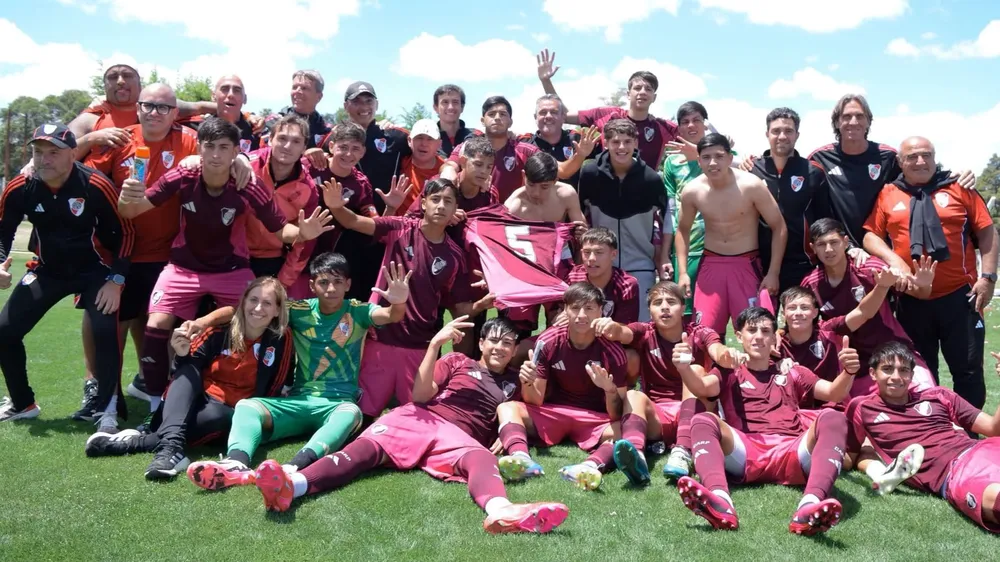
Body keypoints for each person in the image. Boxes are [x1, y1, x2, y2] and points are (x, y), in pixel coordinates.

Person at [249, 316, 570, 535]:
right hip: (420, 418)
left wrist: (507, 432)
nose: (500, 348)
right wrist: (434, 346)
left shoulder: (514, 382)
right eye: (494, 341)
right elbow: (420, 394)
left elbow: (522, 413)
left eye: (508, 344)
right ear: (482, 343)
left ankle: (502, 511)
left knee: (481, 459)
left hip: (458, 439)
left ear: (515, 350)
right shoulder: (458, 361)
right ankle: (293, 486)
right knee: (362, 451)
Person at [118, 117, 334, 415]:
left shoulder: (248, 184)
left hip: (232, 270)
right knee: (155, 326)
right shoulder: (183, 174)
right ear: (199, 149)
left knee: (260, 315)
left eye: (224, 148)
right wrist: (127, 197)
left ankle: (248, 389)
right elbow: (131, 210)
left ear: (235, 151)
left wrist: (302, 234)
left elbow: (280, 230)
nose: (216, 155)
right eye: (209, 147)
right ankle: (157, 400)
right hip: (183, 268)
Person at [186, 253, 411, 489]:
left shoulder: (358, 311)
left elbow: (390, 315)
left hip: (337, 404)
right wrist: (203, 322)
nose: (331, 288)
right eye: (323, 282)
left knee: (351, 412)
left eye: (337, 281)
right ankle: (236, 464)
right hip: (298, 400)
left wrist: (399, 302)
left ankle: (293, 467)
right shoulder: (299, 310)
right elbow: (242, 311)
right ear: (312, 286)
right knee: (247, 406)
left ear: (348, 284)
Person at [84, 277, 293, 479]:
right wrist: (181, 353)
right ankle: (171, 449)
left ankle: (141, 442)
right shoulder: (219, 331)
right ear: (243, 301)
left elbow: (274, 386)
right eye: (253, 300)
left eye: (267, 303)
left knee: (217, 416)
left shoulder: (281, 340)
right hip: (195, 400)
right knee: (187, 371)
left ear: (277, 310)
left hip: (233, 413)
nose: (258, 308)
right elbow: (183, 374)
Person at [674, 307, 858, 535]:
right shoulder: (728, 371)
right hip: (745, 451)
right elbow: (701, 387)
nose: (758, 336)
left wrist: (848, 372)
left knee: (833, 416)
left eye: (765, 331)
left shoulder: (794, 372)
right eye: (751, 330)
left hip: (792, 451)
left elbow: (833, 393)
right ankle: (720, 501)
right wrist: (683, 368)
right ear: (739, 336)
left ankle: (810, 505)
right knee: (703, 420)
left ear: (774, 338)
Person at [321, 177, 492, 418]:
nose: (441, 206)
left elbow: (461, 309)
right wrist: (336, 206)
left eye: (448, 201)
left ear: (456, 209)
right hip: (379, 338)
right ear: (423, 204)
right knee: (361, 415)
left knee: (418, 416)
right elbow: (355, 222)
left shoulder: (455, 257)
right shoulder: (399, 227)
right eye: (435, 199)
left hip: (419, 346)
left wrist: (484, 302)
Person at [0, 125, 134, 430]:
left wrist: (116, 280)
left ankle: (107, 408)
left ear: (73, 154)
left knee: (103, 330)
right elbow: (3, 232)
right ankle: (23, 404)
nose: (44, 160)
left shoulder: (95, 184)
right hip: (47, 272)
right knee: (4, 332)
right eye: (38, 153)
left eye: (53, 153)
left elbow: (127, 233)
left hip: (94, 272)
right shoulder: (21, 186)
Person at [79, 83, 201, 414]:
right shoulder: (120, 138)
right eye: (148, 105)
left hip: (168, 257)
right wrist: (83, 143)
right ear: (138, 108)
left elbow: (220, 160)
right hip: (121, 254)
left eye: (163, 107)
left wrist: (201, 158)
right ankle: (105, 400)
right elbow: (82, 173)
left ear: (175, 114)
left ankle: (162, 396)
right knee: (110, 331)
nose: (154, 113)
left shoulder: (188, 139)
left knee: (162, 332)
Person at [862, 136, 997, 410]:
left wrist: (988, 278)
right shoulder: (889, 193)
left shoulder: (960, 188)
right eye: (912, 157)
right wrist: (893, 260)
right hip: (911, 300)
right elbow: (870, 236)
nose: (920, 161)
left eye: (926, 155)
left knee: (968, 372)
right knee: (921, 373)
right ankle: (931, 431)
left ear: (935, 158)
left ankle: (970, 438)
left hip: (961, 297)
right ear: (900, 162)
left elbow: (987, 232)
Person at [591, 281, 748, 480]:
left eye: (671, 301)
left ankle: (682, 451)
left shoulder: (699, 332)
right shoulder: (645, 332)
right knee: (633, 394)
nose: (664, 306)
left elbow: (717, 350)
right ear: (649, 310)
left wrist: (728, 355)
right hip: (660, 416)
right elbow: (622, 332)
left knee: (695, 369)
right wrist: (610, 326)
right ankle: (636, 455)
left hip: (699, 415)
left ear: (683, 308)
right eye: (657, 302)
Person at [848, 342, 1000, 533]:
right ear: (873, 373)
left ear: (911, 375)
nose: (896, 377)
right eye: (887, 369)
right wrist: (877, 471)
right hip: (954, 474)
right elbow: (850, 455)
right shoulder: (862, 408)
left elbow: (993, 428)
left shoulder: (938, 396)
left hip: (983, 449)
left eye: (903, 370)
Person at [496, 282, 634, 490]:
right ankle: (521, 457)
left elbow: (616, 413)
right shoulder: (548, 341)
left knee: (625, 428)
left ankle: (589, 467)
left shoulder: (613, 351)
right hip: (554, 413)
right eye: (575, 308)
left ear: (601, 312)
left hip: (594, 419)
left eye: (589, 308)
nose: (581, 315)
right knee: (507, 408)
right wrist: (527, 382)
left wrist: (609, 389)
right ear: (565, 310)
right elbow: (535, 399)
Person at [808, 94, 975, 246]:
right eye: (846, 117)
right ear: (837, 122)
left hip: (882, 248)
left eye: (859, 116)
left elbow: (920, 175)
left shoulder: (887, 156)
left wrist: (954, 176)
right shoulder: (820, 158)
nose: (853, 122)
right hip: (840, 250)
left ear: (868, 122)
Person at [802, 218, 936, 387]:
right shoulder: (811, 283)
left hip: (893, 351)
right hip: (852, 365)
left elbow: (920, 293)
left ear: (845, 242)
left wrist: (924, 284)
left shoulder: (869, 267)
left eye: (834, 242)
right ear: (813, 248)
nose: (828, 250)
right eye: (821, 244)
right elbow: (802, 324)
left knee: (926, 399)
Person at [675, 133, 787, 334]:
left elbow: (779, 226)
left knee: (756, 332)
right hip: (711, 264)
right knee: (703, 332)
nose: (713, 163)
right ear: (698, 160)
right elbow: (682, 231)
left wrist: (773, 273)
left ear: (729, 157)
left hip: (746, 265)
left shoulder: (751, 185)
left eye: (719, 156)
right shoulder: (692, 191)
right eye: (706, 157)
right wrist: (683, 272)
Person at [778, 263, 931, 405]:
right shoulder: (775, 344)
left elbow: (863, 312)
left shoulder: (828, 330)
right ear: (783, 313)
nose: (798, 313)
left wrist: (882, 286)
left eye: (804, 307)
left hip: (834, 407)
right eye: (792, 308)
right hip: (796, 410)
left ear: (815, 312)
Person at [578, 119, 668, 321]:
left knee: (639, 329)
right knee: (594, 327)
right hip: (599, 265)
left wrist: (663, 257)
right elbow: (579, 214)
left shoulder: (651, 178)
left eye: (627, 141)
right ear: (605, 142)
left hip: (640, 265)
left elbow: (666, 221)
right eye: (616, 141)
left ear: (636, 143)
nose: (621, 147)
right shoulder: (590, 173)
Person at [537, 49, 678, 168]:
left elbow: (696, 136)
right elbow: (564, 115)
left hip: (644, 193)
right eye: (637, 88)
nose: (642, 92)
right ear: (628, 94)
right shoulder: (606, 114)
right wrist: (546, 80)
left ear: (654, 97)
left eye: (648, 89)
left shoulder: (662, 127)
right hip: (605, 190)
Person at [750, 108, 831, 295]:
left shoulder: (814, 171)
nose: (782, 136)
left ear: (797, 135)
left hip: (802, 263)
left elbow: (823, 219)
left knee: (801, 320)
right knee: (761, 321)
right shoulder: (752, 170)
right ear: (767, 134)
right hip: (759, 262)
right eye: (776, 131)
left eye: (788, 131)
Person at [245, 114, 319, 295]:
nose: (287, 146)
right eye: (282, 138)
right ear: (270, 139)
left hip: (272, 258)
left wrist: (284, 281)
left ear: (304, 147)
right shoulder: (247, 165)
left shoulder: (309, 189)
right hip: (234, 255)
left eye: (296, 141)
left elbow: (305, 242)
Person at [308, 121, 379, 301]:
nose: (348, 154)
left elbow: (373, 222)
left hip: (327, 255)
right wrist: (305, 151)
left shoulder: (361, 183)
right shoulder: (309, 166)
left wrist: (392, 207)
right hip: (294, 245)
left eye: (355, 148)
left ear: (363, 152)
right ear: (331, 146)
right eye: (343, 147)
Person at [661, 101, 717, 315]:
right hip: (686, 250)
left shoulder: (724, 155)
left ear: (706, 124)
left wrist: (702, 155)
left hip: (720, 251)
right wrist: (665, 254)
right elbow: (670, 211)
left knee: (714, 315)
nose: (691, 125)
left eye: (697, 120)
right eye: (685, 122)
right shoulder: (672, 162)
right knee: (683, 314)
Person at [442, 96, 540, 203]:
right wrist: (449, 170)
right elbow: (450, 165)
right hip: (473, 213)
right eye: (491, 114)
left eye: (502, 114)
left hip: (512, 215)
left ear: (510, 122)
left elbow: (551, 170)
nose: (497, 118)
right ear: (483, 121)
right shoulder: (467, 146)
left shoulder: (526, 151)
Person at [519, 94, 599, 188]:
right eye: (543, 112)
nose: (548, 116)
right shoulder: (523, 143)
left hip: (572, 202)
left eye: (554, 112)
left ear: (563, 117)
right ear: (535, 117)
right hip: (535, 201)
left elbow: (610, 157)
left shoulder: (577, 139)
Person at [180, 75, 262, 153]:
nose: (231, 94)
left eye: (237, 90)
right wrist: (200, 106)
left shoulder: (257, 130)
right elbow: (171, 106)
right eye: (224, 89)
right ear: (213, 96)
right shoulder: (196, 128)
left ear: (245, 99)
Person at [504, 152, 587, 224]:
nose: (536, 193)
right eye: (531, 184)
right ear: (523, 176)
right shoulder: (513, 207)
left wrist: (580, 232)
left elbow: (582, 229)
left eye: (544, 187)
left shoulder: (567, 194)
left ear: (555, 181)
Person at [387, 119, 446, 216]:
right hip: (399, 227)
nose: (424, 143)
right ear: (409, 141)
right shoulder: (397, 163)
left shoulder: (446, 171)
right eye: (419, 137)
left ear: (439, 144)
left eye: (430, 139)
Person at [271, 70, 331, 159]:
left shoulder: (327, 132)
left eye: (304, 88)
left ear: (319, 97)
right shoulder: (273, 122)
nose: (297, 91)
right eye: (294, 87)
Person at [433, 84, 482, 158]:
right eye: (445, 102)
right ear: (436, 108)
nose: (450, 107)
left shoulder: (477, 137)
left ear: (462, 107)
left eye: (455, 102)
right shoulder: (427, 139)